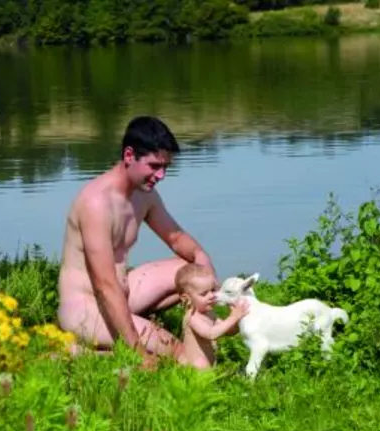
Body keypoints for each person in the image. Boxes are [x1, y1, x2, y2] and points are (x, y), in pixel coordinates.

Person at [57, 115, 219, 368]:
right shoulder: (96, 204)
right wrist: (139, 351)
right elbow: (104, 285)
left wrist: (204, 266)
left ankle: (209, 336)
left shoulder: (144, 195)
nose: (161, 175)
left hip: (123, 294)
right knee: (176, 353)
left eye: (165, 167)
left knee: (190, 270)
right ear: (129, 155)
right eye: (154, 166)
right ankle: (81, 352)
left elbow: (177, 239)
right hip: (85, 308)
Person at [174, 263, 249, 367]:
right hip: (195, 365)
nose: (211, 296)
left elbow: (227, 331)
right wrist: (233, 317)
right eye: (204, 294)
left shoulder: (210, 314)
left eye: (213, 290)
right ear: (186, 298)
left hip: (208, 363)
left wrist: (237, 322)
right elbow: (211, 334)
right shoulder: (193, 317)